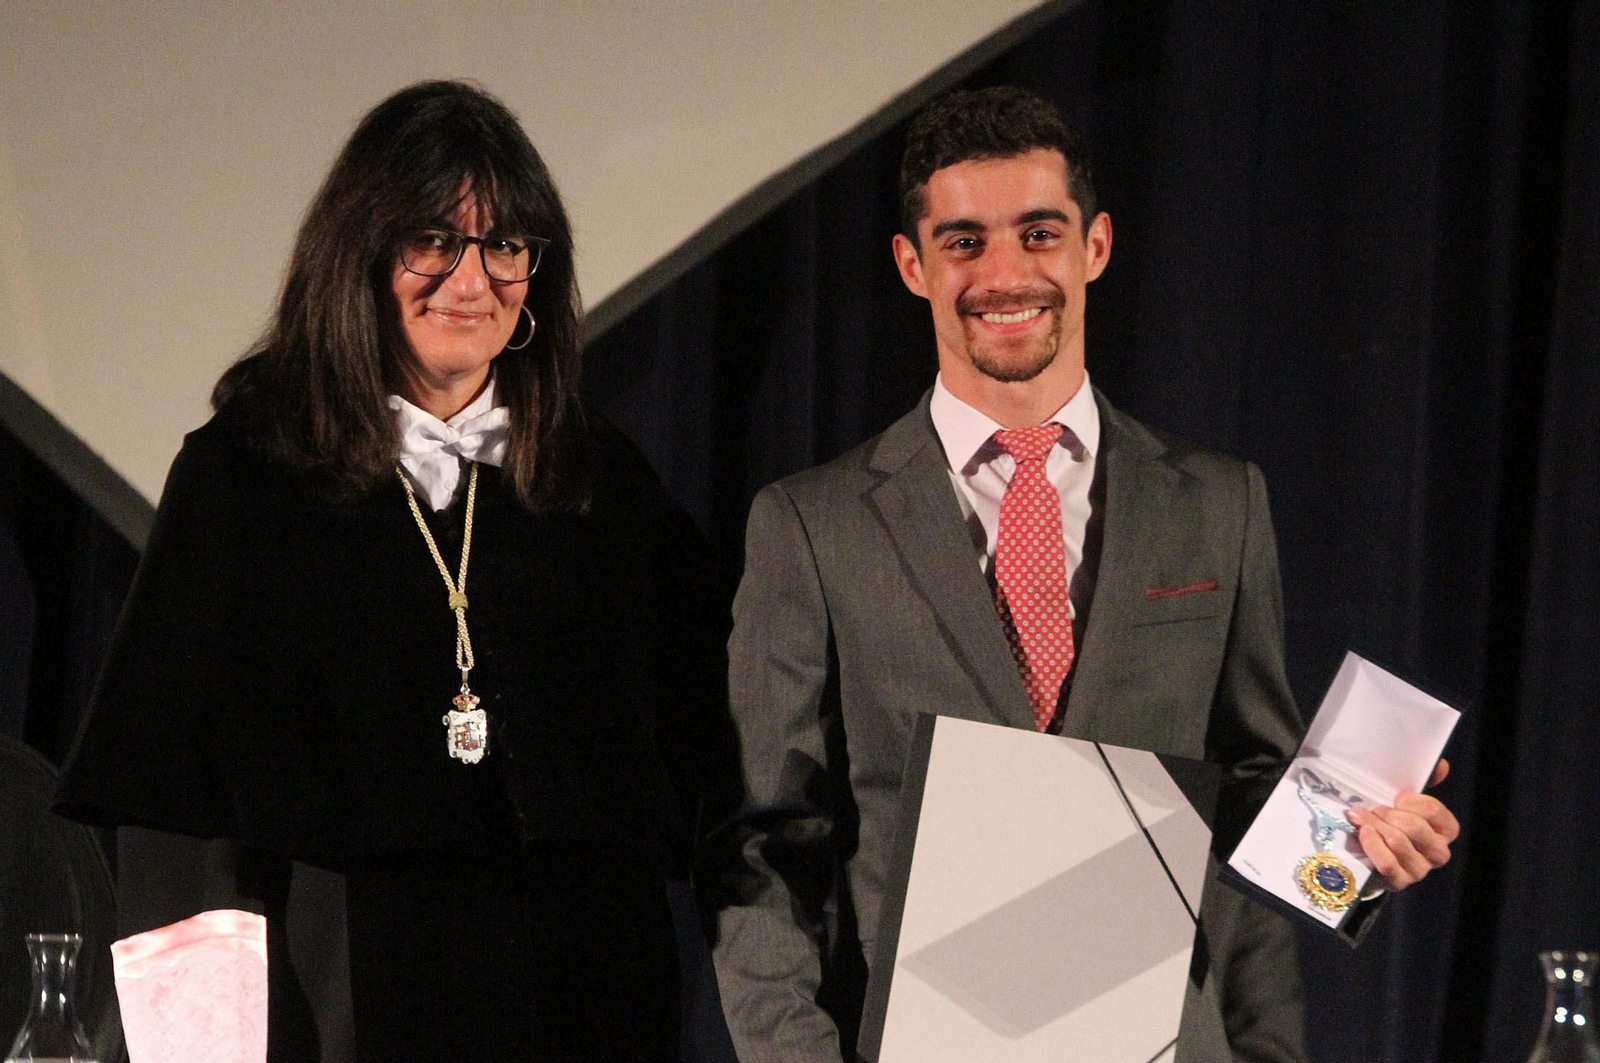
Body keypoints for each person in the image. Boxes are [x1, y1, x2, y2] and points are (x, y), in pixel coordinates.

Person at [703, 86, 1459, 1062]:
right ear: (911, 264)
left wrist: (1354, 842)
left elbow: (1245, 790)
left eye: (1038, 232)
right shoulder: (813, 526)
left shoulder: (1216, 505)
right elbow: (763, 842)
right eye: (965, 240)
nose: (1005, 273)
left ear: (1094, 246)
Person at [56, 80, 727, 1060]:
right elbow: (180, 833)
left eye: (505, 245)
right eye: (433, 240)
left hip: (588, 1003)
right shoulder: (248, 476)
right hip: (339, 1000)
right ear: (361, 254)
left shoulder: (600, 484)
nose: (472, 280)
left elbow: (704, 754)